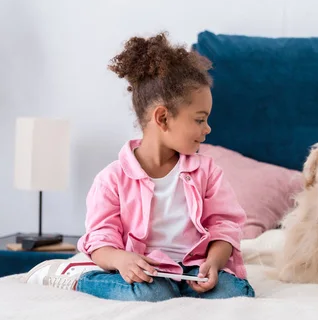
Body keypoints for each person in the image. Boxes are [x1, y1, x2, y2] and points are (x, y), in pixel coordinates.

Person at [24, 32, 255, 301]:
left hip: (193, 270)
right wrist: (122, 260)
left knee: (235, 292)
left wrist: (214, 263)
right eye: (200, 119)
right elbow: (101, 241)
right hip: (147, 271)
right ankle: (75, 280)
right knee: (151, 293)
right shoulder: (112, 179)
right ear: (163, 117)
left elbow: (224, 226)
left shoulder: (207, 172)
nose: (208, 129)